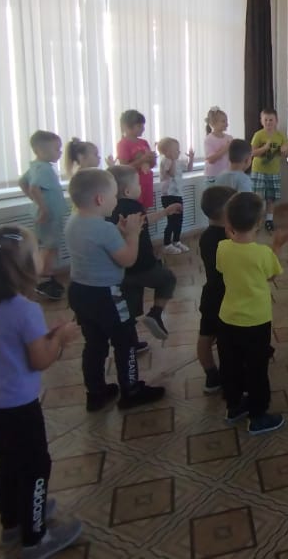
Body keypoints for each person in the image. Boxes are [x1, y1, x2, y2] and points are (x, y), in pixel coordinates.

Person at [0, 226, 83, 558]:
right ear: (16, 269)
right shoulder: (25, 309)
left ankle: (12, 523)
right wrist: (60, 339)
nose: (42, 256)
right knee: (36, 467)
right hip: (16, 406)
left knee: (7, 461)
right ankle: (36, 538)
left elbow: (8, 344)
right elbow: (39, 361)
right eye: (35, 252)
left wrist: (45, 337)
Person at [63, 168, 164, 412]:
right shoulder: (104, 229)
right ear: (100, 199)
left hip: (79, 292)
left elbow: (95, 248)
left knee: (94, 343)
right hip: (106, 295)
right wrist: (132, 235)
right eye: (113, 196)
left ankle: (95, 393)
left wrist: (119, 233)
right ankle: (131, 391)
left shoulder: (73, 222)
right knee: (125, 341)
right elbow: (127, 259)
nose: (116, 201)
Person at [216, 192, 288, 434]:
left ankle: (234, 406)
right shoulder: (262, 253)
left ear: (229, 223)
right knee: (257, 368)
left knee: (231, 365)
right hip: (256, 322)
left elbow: (222, 268)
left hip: (227, 319)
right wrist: (277, 246)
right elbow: (271, 275)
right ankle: (258, 416)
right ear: (259, 222)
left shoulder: (222, 248)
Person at [108, 166, 182, 342]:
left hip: (123, 270)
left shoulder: (110, 209)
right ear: (127, 191)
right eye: (138, 184)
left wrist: (165, 212)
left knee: (131, 307)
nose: (140, 187)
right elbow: (142, 222)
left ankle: (131, 343)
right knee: (168, 279)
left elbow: (144, 220)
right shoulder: (134, 206)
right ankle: (155, 313)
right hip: (144, 265)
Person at [196, 185, 236, 396]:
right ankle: (233, 375)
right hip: (227, 295)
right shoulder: (230, 239)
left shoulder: (205, 236)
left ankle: (211, 374)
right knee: (230, 338)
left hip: (211, 293)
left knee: (206, 335)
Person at [18, 131, 67, 301]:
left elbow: (22, 182)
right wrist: (43, 207)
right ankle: (43, 278)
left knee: (47, 246)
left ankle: (45, 275)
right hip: (49, 215)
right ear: (40, 150)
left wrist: (36, 202)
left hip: (47, 214)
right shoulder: (43, 168)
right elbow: (33, 187)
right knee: (49, 247)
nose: (60, 153)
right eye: (56, 149)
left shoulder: (36, 166)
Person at [250, 109, 288, 231]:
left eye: (271, 120)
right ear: (261, 121)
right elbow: (252, 153)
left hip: (274, 172)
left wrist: (285, 151)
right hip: (258, 172)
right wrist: (264, 148)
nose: (268, 122)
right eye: (266, 120)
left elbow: (286, 153)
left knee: (271, 198)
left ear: (276, 121)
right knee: (257, 199)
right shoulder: (258, 135)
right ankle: (256, 221)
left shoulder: (281, 136)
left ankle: (269, 220)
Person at [157, 137, 193, 254]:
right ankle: (167, 244)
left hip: (178, 195)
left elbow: (189, 169)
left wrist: (191, 158)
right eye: (176, 150)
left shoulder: (177, 161)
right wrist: (172, 160)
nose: (179, 152)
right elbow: (172, 173)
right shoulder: (165, 161)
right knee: (171, 221)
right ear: (167, 152)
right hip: (168, 196)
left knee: (179, 220)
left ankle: (177, 241)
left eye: (179, 149)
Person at [115, 109, 156, 210]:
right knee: (136, 210)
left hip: (147, 182)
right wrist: (142, 159)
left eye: (143, 126)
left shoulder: (144, 142)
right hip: (134, 184)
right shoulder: (123, 144)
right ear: (127, 126)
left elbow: (151, 164)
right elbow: (124, 168)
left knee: (145, 212)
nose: (143, 129)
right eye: (139, 126)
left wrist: (152, 159)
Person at [202, 107, 232, 185]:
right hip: (213, 176)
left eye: (227, 121)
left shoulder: (229, 138)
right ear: (213, 123)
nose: (227, 124)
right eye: (223, 121)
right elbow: (211, 160)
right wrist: (226, 148)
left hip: (227, 174)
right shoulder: (209, 139)